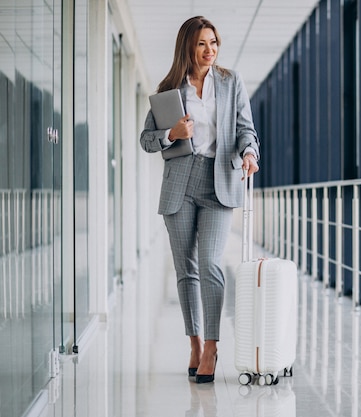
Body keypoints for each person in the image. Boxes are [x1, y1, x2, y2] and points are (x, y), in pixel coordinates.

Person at [139, 16, 259, 384]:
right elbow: (147, 140)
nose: (210, 51)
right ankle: (193, 342)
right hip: (179, 183)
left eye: (214, 43)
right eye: (202, 44)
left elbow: (245, 128)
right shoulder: (169, 88)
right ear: (188, 48)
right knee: (185, 269)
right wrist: (171, 134)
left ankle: (212, 344)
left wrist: (250, 152)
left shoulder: (230, 81)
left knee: (209, 263)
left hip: (218, 181)